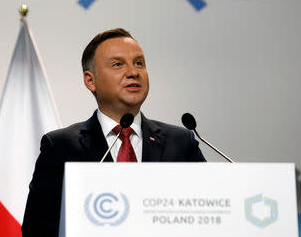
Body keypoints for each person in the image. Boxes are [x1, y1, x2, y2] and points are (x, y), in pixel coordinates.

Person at [21, 28, 205, 236]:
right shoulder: (61, 146)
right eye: (118, 64)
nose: (133, 72)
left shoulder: (181, 142)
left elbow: (207, 217)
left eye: (139, 63)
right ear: (90, 81)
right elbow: (38, 229)